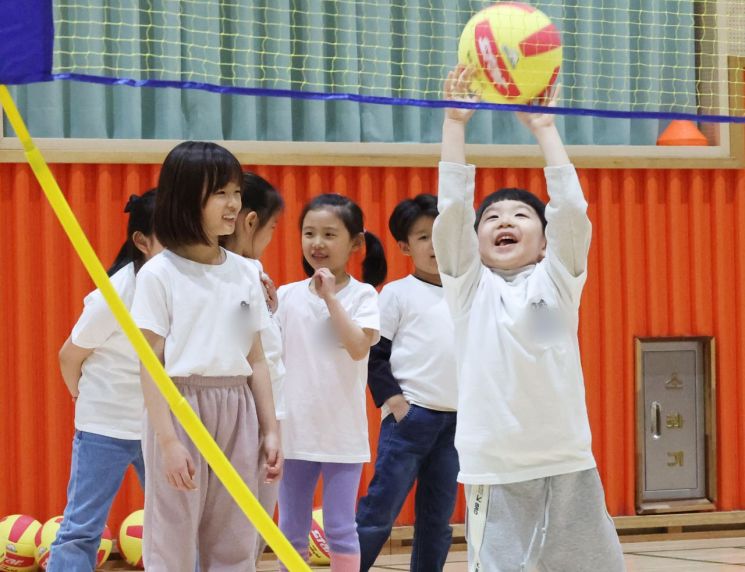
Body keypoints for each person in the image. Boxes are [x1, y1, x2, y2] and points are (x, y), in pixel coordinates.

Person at [433, 66, 624, 571]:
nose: (504, 222)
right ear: (475, 242)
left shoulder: (557, 282)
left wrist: (545, 130)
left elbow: (572, 211)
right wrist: (455, 124)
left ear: (544, 242)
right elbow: (452, 210)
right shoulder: (469, 290)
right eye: (492, 218)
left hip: (567, 461)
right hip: (493, 471)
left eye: (521, 216)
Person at [130, 141, 281, 572]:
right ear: (185, 196)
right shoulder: (160, 273)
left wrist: (270, 429)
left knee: (236, 538)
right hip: (181, 406)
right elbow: (150, 364)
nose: (233, 204)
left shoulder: (245, 271)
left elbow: (256, 358)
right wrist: (169, 441)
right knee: (173, 541)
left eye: (236, 192)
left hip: (238, 407)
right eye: (220, 193)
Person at [47, 189, 162, 572]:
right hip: (105, 428)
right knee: (82, 528)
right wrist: (89, 404)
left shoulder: (181, 287)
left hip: (159, 427)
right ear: (142, 242)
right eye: (171, 234)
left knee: (176, 525)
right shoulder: (114, 295)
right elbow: (69, 356)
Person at [275, 193, 386, 571]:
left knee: (340, 528)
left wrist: (330, 300)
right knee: (291, 528)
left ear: (356, 243)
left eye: (328, 234)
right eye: (309, 233)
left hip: (342, 434)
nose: (317, 243)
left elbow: (358, 347)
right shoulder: (286, 296)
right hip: (294, 432)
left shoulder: (365, 295)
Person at [356, 193, 458, 571]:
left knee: (437, 520)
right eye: (423, 237)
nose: (435, 245)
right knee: (379, 512)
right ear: (404, 246)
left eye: (441, 234)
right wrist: (394, 402)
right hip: (410, 419)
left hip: (455, 424)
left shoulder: (468, 292)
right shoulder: (397, 293)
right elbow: (374, 355)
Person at [222, 171, 285, 564]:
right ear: (250, 222)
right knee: (240, 532)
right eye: (273, 226)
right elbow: (248, 353)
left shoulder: (251, 273)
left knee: (251, 531)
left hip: (266, 414)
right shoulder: (235, 272)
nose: (272, 235)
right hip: (250, 415)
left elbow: (262, 344)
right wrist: (267, 425)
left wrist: (270, 309)